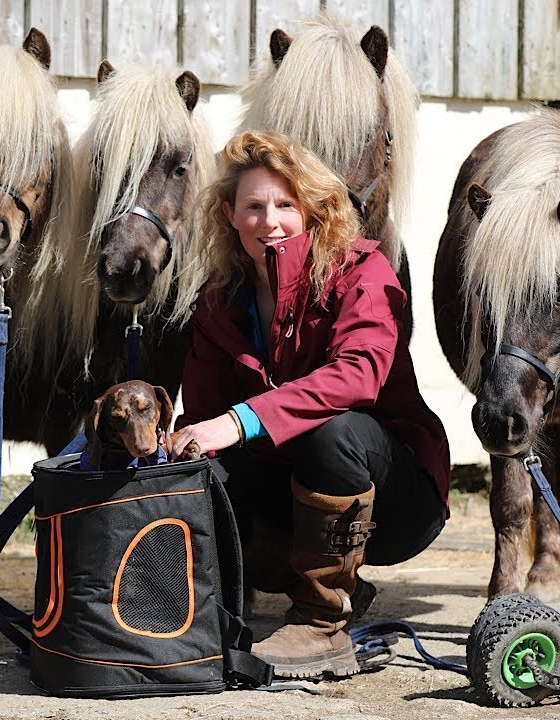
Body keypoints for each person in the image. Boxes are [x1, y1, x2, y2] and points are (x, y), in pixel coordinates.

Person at [170, 131, 451, 679]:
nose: (268, 221)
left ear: (312, 209)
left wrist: (243, 419)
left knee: (336, 433)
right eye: (253, 206)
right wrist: (181, 447)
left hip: (397, 496)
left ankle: (323, 622)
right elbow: (203, 421)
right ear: (229, 214)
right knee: (198, 471)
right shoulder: (217, 299)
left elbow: (359, 374)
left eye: (284, 205)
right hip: (293, 488)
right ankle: (219, 610)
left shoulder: (362, 271)